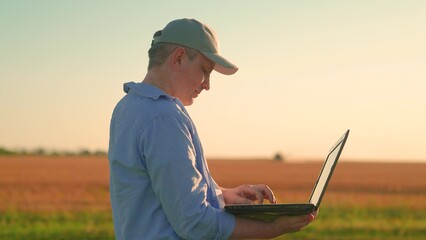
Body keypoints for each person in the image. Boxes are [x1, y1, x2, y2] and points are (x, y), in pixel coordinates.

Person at [108, 18, 316, 239]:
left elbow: (164, 194)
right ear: (178, 58)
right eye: (205, 70)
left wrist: (223, 195)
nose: (207, 84)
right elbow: (195, 223)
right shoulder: (163, 117)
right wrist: (274, 228)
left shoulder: (128, 106)